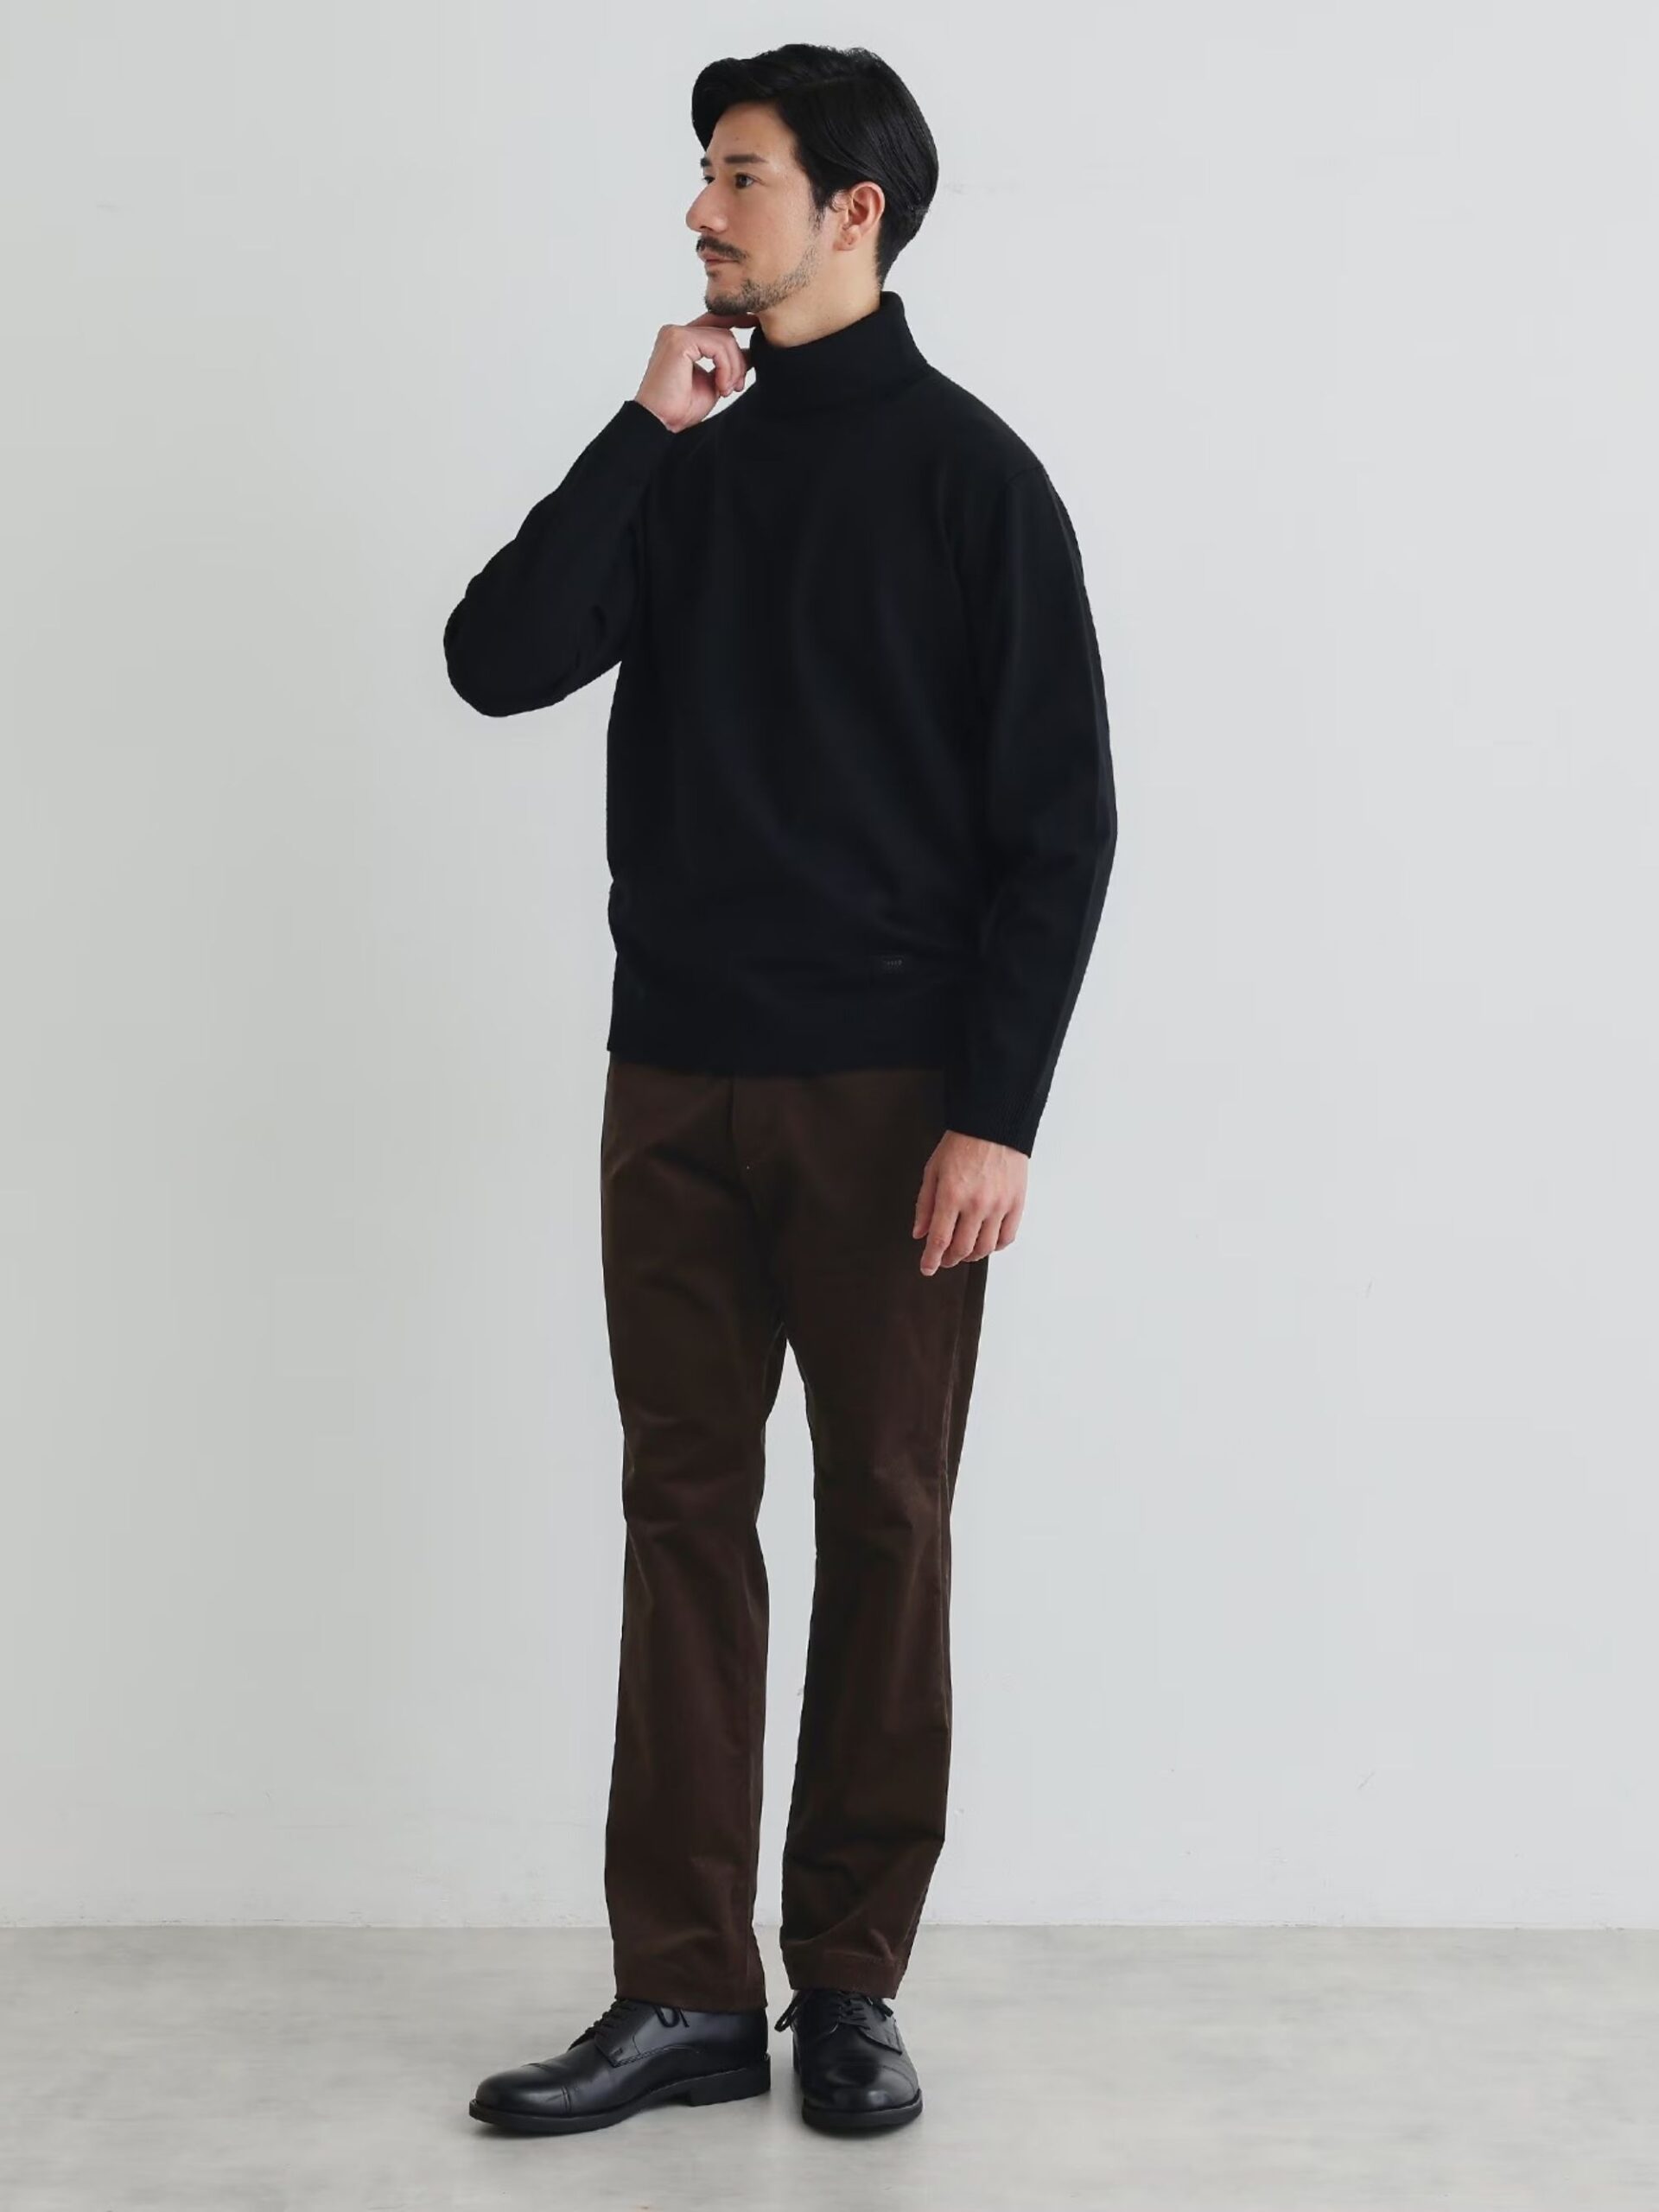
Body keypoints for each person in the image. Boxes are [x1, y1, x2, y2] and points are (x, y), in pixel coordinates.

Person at [443, 41, 1117, 2139]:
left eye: (738, 175)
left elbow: (1061, 824)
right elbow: (497, 656)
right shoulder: (685, 456)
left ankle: (847, 1979)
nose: (699, 208)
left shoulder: (975, 479)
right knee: (683, 1514)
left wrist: (997, 1109)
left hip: (896, 1099)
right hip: (674, 1080)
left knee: (888, 1518)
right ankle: (680, 1988)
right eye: (704, 171)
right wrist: (640, 426)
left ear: (855, 208)